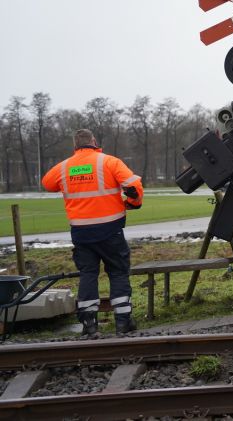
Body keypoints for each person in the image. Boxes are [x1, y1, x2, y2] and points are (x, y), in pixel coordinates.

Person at [42, 129, 143, 336]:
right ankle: (123, 322)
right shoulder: (109, 162)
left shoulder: (64, 167)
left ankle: (89, 324)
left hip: (81, 232)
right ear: (94, 141)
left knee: (88, 274)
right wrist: (133, 203)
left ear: (75, 145)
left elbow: (47, 184)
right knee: (118, 271)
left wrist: (74, 180)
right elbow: (133, 185)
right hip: (110, 229)